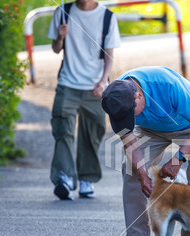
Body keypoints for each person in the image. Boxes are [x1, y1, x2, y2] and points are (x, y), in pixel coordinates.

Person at [101, 66, 190, 236]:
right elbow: (129, 142)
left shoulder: (166, 85)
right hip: (153, 129)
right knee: (130, 169)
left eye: (130, 114)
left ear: (138, 96)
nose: (126, 120)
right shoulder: (116, 96)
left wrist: (178, 159)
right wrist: (142, 175)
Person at [47, 0, 120, 200]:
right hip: (68, 83)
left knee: (93, 131)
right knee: (63, 130)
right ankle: (66, 177)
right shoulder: (63, 11)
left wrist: (104, 81)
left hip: (95, 87)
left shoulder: (107, 17)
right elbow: (55, 48)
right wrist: (60, 38)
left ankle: (86, 178)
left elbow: (109, 54)